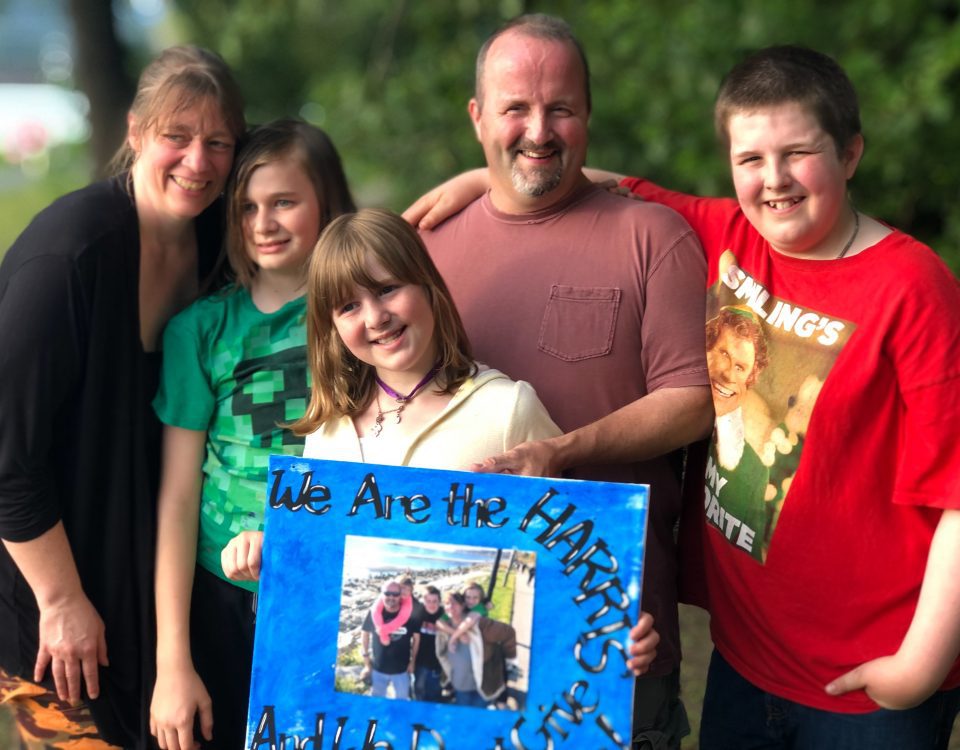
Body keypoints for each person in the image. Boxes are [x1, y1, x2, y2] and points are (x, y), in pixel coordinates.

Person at [408, 43, 960, 750]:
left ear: (850, 153)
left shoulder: (913, 288)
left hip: (867, 679)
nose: (775, 179)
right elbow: (584, 176)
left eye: (799, 153)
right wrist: (476, 177)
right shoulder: (732, 233)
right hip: (746, 660)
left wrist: (917, 668)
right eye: (751, 160)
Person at [404, 13, 712, 748]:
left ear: (587, 117)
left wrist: (563, 451)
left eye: (561, 109)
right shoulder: (420, 252)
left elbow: (695, 401)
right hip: (452, 641)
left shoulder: (653, 238)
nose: (538, 130)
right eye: (515, 108)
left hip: (610, 635)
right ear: (479, 118)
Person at [221, 209, 660, 679]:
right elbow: (320, 573)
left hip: (469, 693)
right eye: (348, 306)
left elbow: (573, 556)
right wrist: (268, 551)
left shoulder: (506, 409)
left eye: (388, 288)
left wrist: (613, 630)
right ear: (331, 326)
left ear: (427, 285)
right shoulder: (330, 428)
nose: (376, 316)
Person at [0, 46, 244, 748]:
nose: (197, 162)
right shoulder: (68, 259)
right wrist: (61, 599)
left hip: (153, 602)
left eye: (218, 143)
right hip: (52, 611)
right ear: (136, 132)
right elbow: (7, 461)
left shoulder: (220, 237)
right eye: (177, 136)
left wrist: (487, 184)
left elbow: (333, 226)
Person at [150, 119, 355, 750]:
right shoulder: (200, 331)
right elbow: (179, 499)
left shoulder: (363, 317)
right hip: (221, 597)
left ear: (329, 204)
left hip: (333, 588)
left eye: (284, 202)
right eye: (246, 207)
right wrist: (172, 663)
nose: (263, 222)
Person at [436, 591, 517, 708]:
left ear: (462, 605)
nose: (450, 607)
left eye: (455, 603)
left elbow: (508, 632)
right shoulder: (448, 622)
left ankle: (501, 700)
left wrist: (510, 657)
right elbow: (439, 625)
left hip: (481, 684)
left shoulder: (479, 620)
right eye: (447, 603)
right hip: (461, 684)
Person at [361, 581, 419, 700]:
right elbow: (365, 633)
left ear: (400, 595)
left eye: (395, 594)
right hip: (378, 670)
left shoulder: (410, 615)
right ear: (381, 594)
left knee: (401, 704)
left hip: (402, 671)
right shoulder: (373, 613)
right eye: (387, 593)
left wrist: (413, 662)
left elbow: (417, 639)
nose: (391, 597)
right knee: (377, 706)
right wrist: (367, 663)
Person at [412, 586, 445, 702]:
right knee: (419, 692)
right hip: (419, 663)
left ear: (440, 601)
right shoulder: (418, 613)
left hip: (437, 664)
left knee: (435, 694)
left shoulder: (445, 615)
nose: (431, 604)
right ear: (423, 600)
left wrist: (485, 604)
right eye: (428, 601)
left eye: (435, 601)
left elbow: (465, 609)